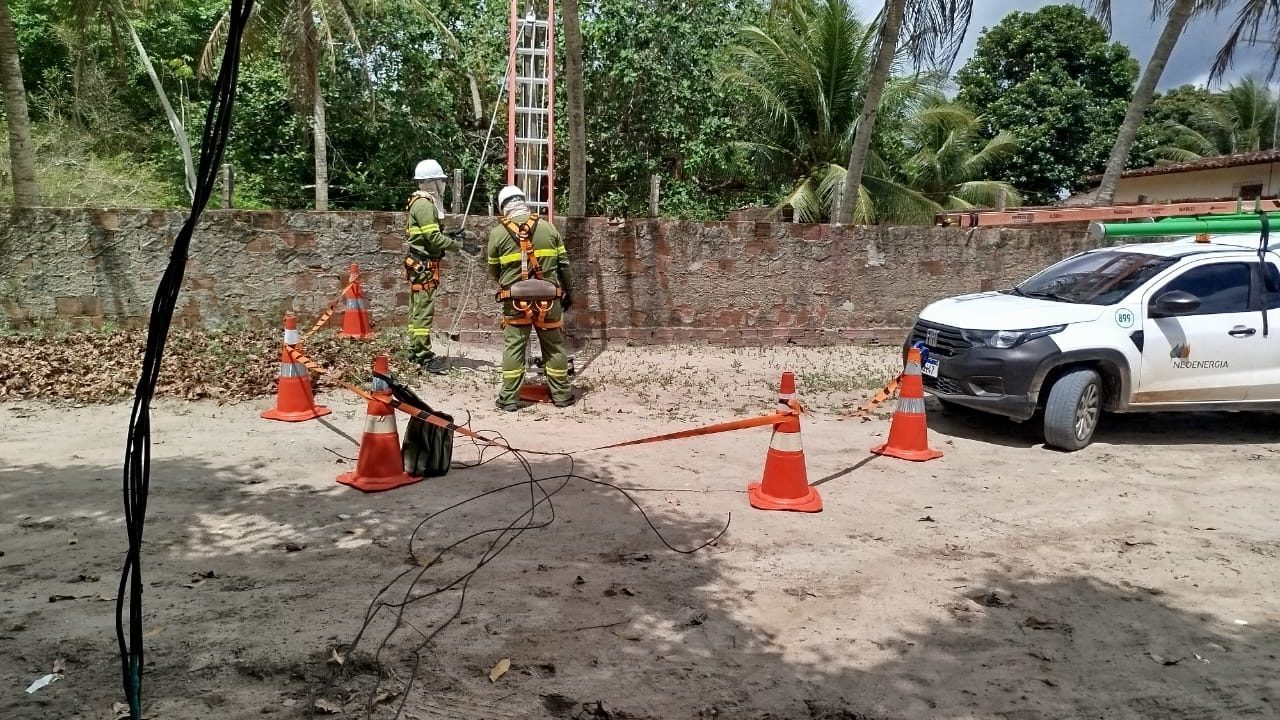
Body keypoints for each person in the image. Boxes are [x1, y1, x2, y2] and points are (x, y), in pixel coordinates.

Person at [486, 185, 574, 410]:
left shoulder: (497, 234)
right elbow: (564, 266)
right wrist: (568, 292)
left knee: (514, 347)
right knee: (554, 347)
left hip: (515, 302)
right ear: (524, 201)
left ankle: (509, 399)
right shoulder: (549, 229)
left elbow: (494, 271)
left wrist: (510, 285)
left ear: (502, 206)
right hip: (550, 300)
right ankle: (562, 396)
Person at [403, 159, 475, 374]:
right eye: (441, 180)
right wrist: (457, 246)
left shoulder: (421, 202)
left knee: (417, 312)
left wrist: (449, 235)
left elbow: (429, 235)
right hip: (423, 266)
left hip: (420, 264)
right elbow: (433, 238)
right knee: (423, 313)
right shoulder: (425, 204)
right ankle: (424, 357)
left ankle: (414, 351)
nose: (443, 184)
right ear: (432, 182)